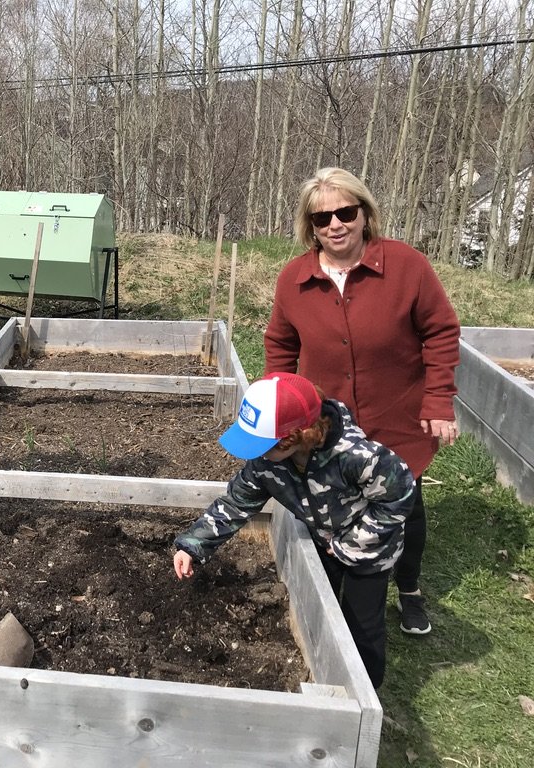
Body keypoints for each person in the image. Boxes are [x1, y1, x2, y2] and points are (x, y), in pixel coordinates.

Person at [264, 167, 460, 636]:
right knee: (334, 502)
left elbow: (441, 332)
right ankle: (341, 586)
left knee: (404, 503)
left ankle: (408, 588)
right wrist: (278, 408)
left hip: (397, 415)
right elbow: (280, 346)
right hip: (328, 424)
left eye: (345, 212)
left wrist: (437, 401)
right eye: (322, 217)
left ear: (364, 214)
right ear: (309, 226)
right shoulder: (294, 279)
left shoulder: (407, 266)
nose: (335, 224)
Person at [173, 373, 415, 688]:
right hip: (322, 539)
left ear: (290, 439)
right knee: (321, 610)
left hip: (369, 550)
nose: (254, 454)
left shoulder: (356, 456)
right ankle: (328, 673)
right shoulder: (267, 463)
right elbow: (235, 504)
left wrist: (350, 545)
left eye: (260, 445)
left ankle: (364, 696)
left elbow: (400, 496)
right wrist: (192, 545)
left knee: (362, 626)